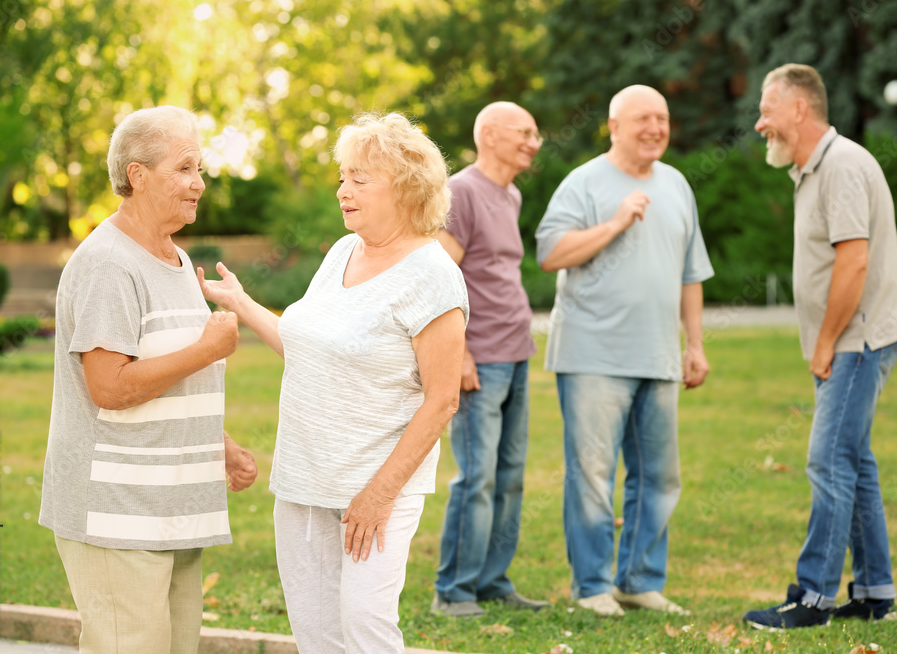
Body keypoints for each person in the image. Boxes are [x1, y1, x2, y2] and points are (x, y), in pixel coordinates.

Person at [198, 113, 468, 652]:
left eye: (359, 179)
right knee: (316, 633)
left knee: (365, 627)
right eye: (342, 177)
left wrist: (377, 495)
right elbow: (308, 349)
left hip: (376, 487)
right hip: (303, 477)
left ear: (407, 187)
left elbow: (442, 402)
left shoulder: (434, 277)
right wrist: (242, 303)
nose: (343, 190)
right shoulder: (345, 252)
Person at [39, 105, 258, 654]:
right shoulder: (109, 263)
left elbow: (168, 380)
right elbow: (110, 387)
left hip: (175, 509)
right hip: (118, 514)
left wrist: (219, 444)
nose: (199, 184)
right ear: (137, 176)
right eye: (185, 168)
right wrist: (208, 347)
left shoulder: (179, 262)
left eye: (199, 168)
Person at [742, 63, 897, 629]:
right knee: (855, 463)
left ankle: (812, 598)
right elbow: (867, 249)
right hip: (855, 339)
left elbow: (855, 259)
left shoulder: (839, 165)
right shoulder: (819, 168)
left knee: (828, 461)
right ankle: (874, 593)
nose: (760, 122)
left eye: (767, 109)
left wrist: (825, 345)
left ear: (799, 108)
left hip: (855, 342)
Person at [535, 85, 713, 617]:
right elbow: (550, 253)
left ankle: (639, 580)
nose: (655, 128)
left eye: (661, 118)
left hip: (657, 357)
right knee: (591, 476)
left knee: (658, 476)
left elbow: (690, 273)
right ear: (614, 126)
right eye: (642, 119)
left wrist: (695, 344)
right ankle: (591, 586)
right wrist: (614, 223)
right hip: (593, 356)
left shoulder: (677, 184)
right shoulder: (584, 182)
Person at [432, 102, 550, 618]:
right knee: (476, 476)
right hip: (480, 358)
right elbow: (438, 280)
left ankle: (492, 581)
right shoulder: (462, 192)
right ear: (491, 135)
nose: (534, 141)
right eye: (524, 133)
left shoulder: (512, 193)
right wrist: (459, 355)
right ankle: (453, 591)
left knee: (510, 474)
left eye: (535, 133)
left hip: (517, 352)